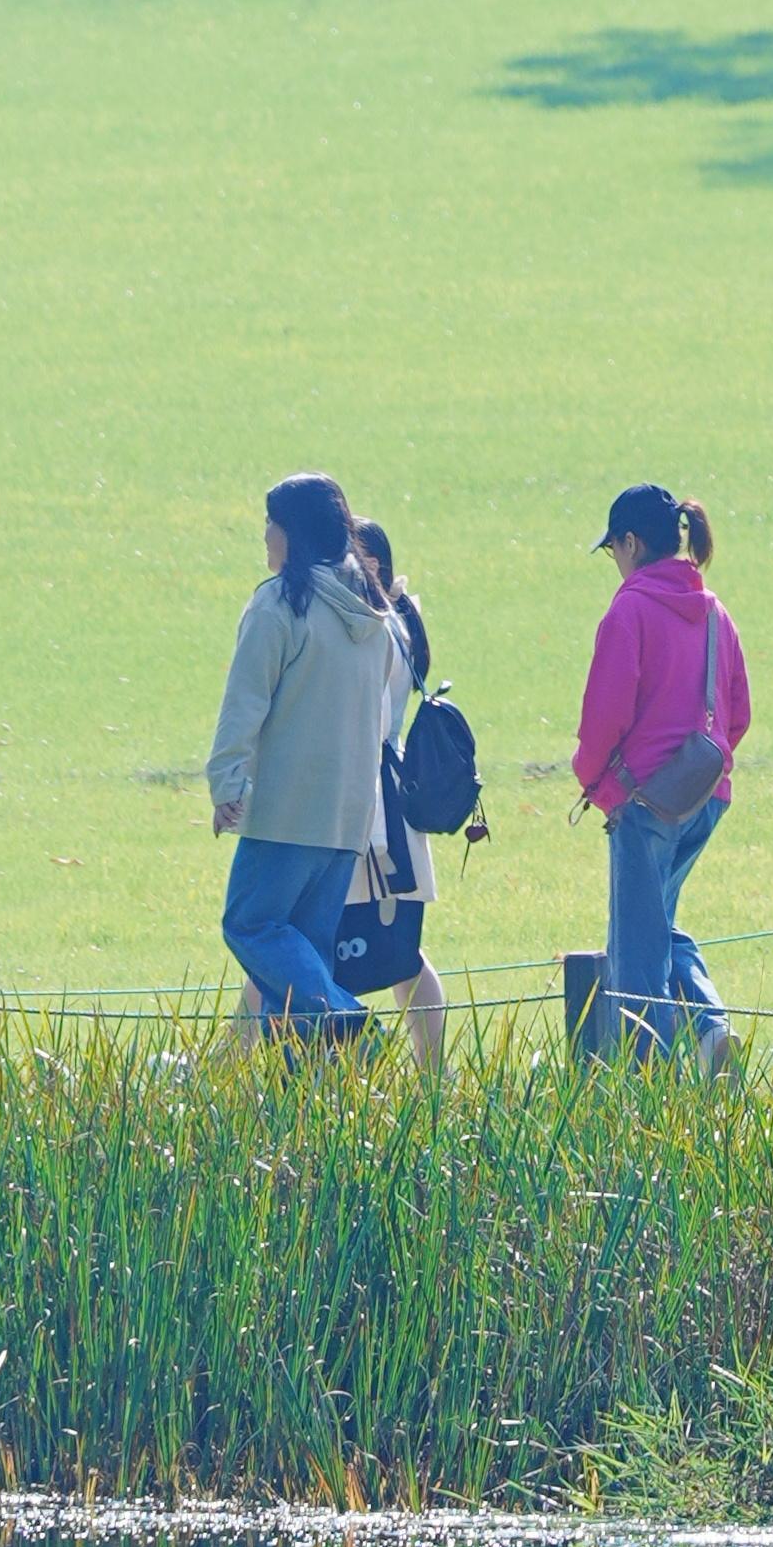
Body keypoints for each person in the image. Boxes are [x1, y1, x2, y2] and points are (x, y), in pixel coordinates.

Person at [205, 467, 411, 1046]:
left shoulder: (279, 606)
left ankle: (348, 1021)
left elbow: (244, 704)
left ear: (291, 532)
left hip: (286, 809)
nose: (265, 536)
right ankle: (304, 1094)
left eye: (270, 524)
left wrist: (226, 786)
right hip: (347, 816)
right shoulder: (375, 613)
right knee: (304, 954)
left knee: (251, 925)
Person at [575, 485, 748, 1058]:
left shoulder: (630, 609)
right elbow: (739, 713)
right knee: (658, 925)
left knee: (636, 958)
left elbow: (605, 715)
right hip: (705, 796)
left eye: (613, 550)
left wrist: (592, 778)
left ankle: (652, 1090)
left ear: (630, 542)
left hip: (645, 803)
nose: (614, 563)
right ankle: (708, 1026)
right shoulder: (716, 612)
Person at [337, 507, 457, 1090]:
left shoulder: (377, 629)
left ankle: (233, 1063)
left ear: (370, 563)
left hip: (371, 809)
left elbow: (368, 724)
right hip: (390, 805)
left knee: (307, 936)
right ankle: (433, 1075)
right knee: (403, 954)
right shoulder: (397, 623)